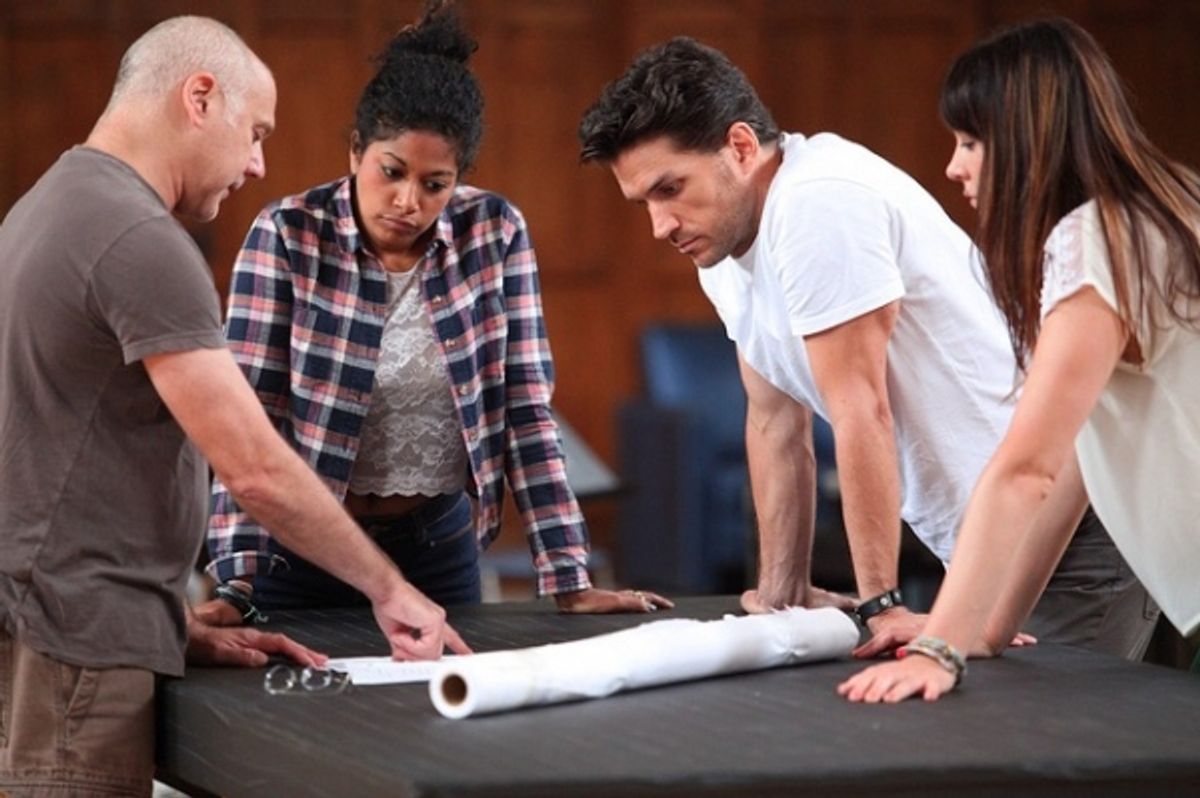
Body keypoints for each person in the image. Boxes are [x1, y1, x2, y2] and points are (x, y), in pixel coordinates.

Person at [0, 17, 468, 796]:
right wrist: (393, 591)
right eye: (254, 132)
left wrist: (164, 622)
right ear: (200, 97)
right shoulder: (139, 236)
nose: (257, 164)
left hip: (46, 624)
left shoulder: (44, 205)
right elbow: (253, 468)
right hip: (76, 646)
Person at [577, 36, 1155, 657]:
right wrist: (782, 590)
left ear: (741, 148)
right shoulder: (722, 244)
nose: (660, 226)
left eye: (670, 189)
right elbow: (774, 419)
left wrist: (881, 603)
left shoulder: (817, 200)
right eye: (644, 203)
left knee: (1050, 749)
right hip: (992, 547)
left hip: (1073, 531)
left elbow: (862, 410)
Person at [203, 1, 670, 619]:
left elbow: (524, 411)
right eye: (390, 172)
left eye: (434, 184)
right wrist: (236, 584)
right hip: (302, 552)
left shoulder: (494, 232)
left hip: (437, 551)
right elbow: (249, 417)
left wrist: (570, 577)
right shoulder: (288, 234)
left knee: (438, 710)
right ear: (355, 152)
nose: (407, 201)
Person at [839, 18, 1200, 703]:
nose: (953, 165)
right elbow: (1069, 466)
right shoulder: (1166, 206)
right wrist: (987, 628)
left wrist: (940, 648)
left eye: (971, 141)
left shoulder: (1097, 240)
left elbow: (1024, 469)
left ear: (1032, 139)